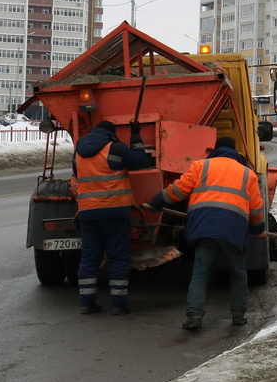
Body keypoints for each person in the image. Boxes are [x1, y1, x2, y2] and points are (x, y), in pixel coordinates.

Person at [144, 136, 266, 330]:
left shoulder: (201, 166)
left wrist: (157, 201)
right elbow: (256, 208)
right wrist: (258, 229)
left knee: (200, 272)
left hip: (204, 226)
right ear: (236, 153)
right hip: (232, 229)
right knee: (237, 273)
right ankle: (238, 315)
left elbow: (179, 189)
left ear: (215, 151)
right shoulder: (247, 173)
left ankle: (194, 317)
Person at [73, 119, 146, 315]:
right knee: (118, 257)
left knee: (89, 258)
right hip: (114, 212)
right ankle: (119, 304)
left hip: (87, 212)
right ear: (111, 134)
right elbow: (140, 162)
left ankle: (87, 303)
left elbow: (76, 174)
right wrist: (136, 137)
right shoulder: (115, 148)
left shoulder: (79, 150)